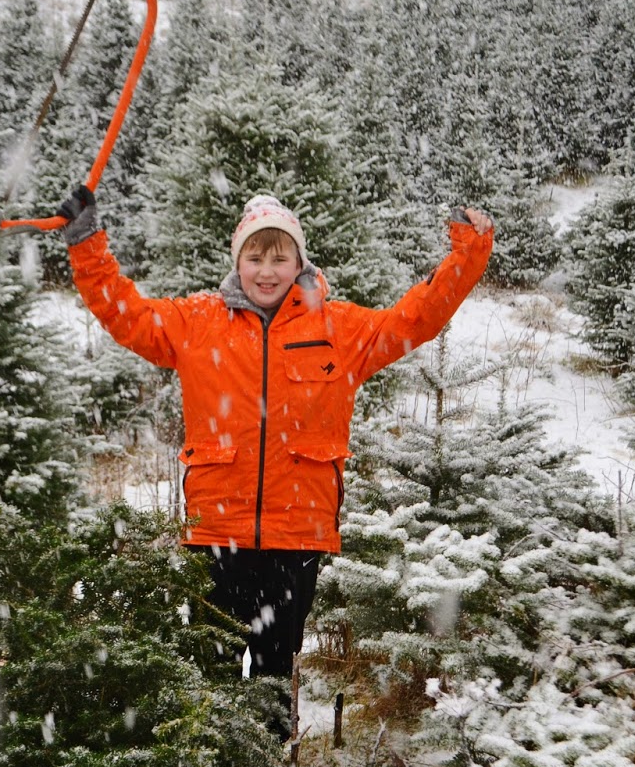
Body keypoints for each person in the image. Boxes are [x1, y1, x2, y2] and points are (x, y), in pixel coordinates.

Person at [57, 185, 494, 727]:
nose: (266, 272)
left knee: (274, 676)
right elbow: (126, 315)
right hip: (217, 533)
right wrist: (86, 244)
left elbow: (417, 319)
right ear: (237, 261)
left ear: (299, 262)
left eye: (280, 258)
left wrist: (469, 249)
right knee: (209, 674)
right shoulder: (197, 323)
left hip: (296, 536)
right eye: (255, 257)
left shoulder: (337, 329)